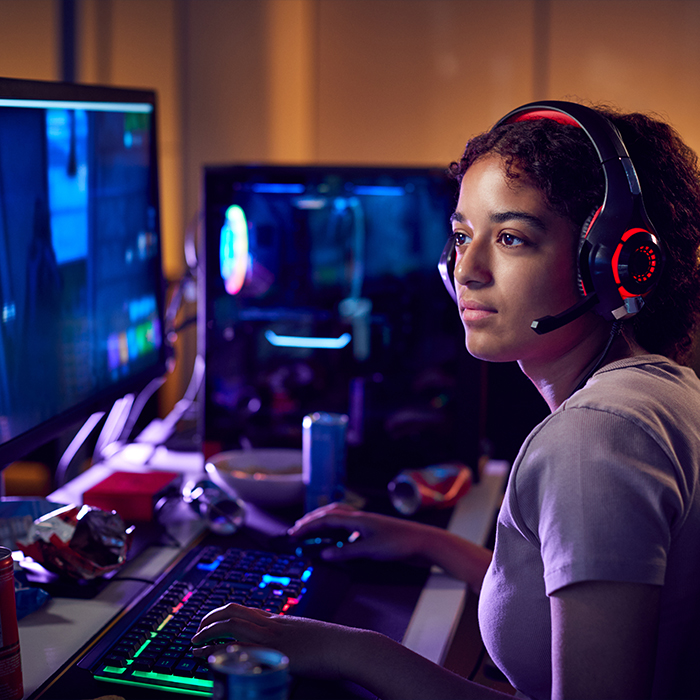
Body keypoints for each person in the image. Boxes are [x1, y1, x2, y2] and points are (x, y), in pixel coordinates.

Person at [192, 102, 700, 700]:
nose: (468, 269)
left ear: (614, 264)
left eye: (511, 238)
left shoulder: (593, 439)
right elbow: (570, 598)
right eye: (462, 236)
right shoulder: (660, 393)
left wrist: (348, 649)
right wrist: (427, 542)